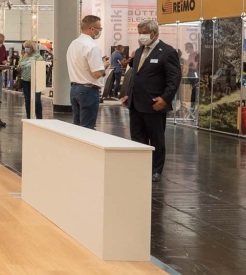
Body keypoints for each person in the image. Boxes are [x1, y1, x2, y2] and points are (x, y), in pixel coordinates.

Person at [121, 19, 181, 182]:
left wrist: (165, 98)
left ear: (154, 33)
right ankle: (141, 166)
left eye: (144, 33)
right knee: (137, 138)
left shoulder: (167, 51)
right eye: (139, 33)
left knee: (156, 138)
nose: (141, 36)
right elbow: (135, 76)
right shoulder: (139, 51)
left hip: (154, 104)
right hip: (136, 104)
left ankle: (156, 170)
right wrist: (128, 95)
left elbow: (174, 79)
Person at [66, 15, 108, 129]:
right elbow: (96, 74)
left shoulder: (73, 44)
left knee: (77, 127)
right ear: (92, 29)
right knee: (87, 128)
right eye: (99, 28)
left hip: (74, 89)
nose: (100, 31)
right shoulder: (92, 46)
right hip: (88, 90)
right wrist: (104, 65)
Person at [18, 40, 44, 119]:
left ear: (32, 48)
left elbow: (41, 67)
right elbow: (19, 66)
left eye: (28, 47)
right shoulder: (22, 56)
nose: (26, 49)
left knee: (37, 101)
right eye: (25, 47)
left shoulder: (38, 57)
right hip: (25, 81)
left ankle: (39, 118)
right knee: (27, 100)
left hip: (36, 81)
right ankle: (29, 118)